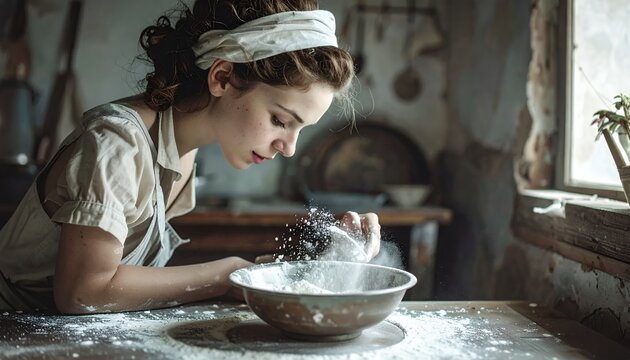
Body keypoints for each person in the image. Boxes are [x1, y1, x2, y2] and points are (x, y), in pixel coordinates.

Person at [0, 0, 381, 314]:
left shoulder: (182, 150)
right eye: (280, 120)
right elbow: (84, 292)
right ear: (222, 77)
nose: (289, 147)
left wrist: (291, 269)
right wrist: (226, 274)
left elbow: (126, 281)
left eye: (301, 130)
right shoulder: (119, 143)